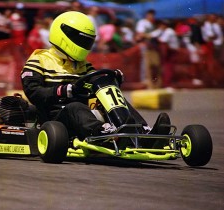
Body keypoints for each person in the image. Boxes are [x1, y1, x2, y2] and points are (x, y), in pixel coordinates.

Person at [20, 11, 170, 148]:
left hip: (83, 117)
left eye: (88, 41)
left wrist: (112, 80)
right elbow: (33, 92)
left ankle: (142, 132)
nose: (85, 46)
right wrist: (64, 90)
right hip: (55, 118)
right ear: (64, 35)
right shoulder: (39, 59)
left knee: (115, 98)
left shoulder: (83, 65)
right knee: (75, 106)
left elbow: (96, 83)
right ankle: (103, 134)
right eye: (82, 40)